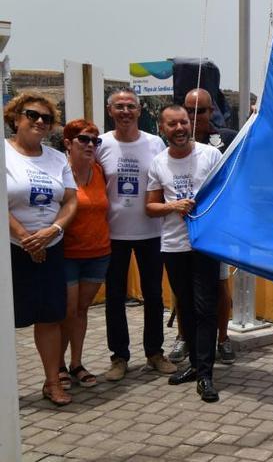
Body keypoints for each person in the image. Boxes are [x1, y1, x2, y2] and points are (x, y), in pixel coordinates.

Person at [97, 88, 176, 381]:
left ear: (140, 111)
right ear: (111, 111)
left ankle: (155, 353)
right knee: (114, 297)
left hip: (151, 231)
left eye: (131, 106)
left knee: (154, 295)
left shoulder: (154, 143)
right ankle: (119, 358)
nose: (126, 111)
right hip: (113, 233)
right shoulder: (100, 144)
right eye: (120, 106)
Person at [146, 104, 223, 402]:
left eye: (183, 122)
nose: (179, 128)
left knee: (206, 309)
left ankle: (205, 374)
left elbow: (225, 193)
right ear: (162, 129)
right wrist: (172, 207)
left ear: (189, 124)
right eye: (172, 124)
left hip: (204, 244)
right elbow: (150, 207)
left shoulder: (210, 154)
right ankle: (193, 365)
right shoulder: (158, 163)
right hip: (174, 246)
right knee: (187, 310)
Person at [4, 92, 77, 405]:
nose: (39, 122)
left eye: (46, 118)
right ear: (16, 117)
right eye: (32, 115)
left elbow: (71, 200)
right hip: (10, 249)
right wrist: (24, 237)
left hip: (50, 246)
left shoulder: (57, 158)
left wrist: (52, 230)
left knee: (49, 318)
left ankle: (52, 383)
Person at [166, 88, 239, 365]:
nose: (195, 117)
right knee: (181, 292)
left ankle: (223, 338)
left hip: (214, 231)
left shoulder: (226, 139)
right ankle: (184, 337)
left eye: (202, 110)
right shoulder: (174, 140)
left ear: (213, 111)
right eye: (190, 110)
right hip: (180, 232)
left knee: (219, 287)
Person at [58, 119, 110, 389]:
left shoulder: (100, 171)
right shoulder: (59, 173)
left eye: (95, 141)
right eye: (84, 139)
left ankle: (76, 363)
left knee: (81, 310)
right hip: (67, 254)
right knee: (66, 311)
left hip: (98, 252)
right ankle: (57, 365)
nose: (91, 145)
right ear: (68, 143)